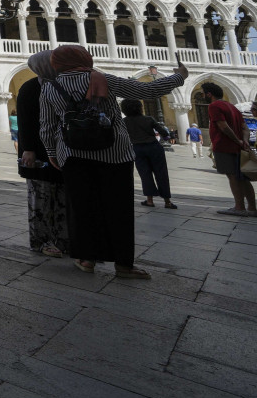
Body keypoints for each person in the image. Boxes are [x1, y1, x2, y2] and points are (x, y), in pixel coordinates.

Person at [40, 46, 186, 279]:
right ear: (83, 58)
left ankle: (87, 259)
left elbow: (47, 125)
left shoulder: (49, 87)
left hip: (73, 154)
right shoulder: (102, 78)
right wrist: (180, 76)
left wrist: (51, 152)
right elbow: (148, 91)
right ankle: (124, 265)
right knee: (119, 209)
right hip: (114, 153)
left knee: (82, 208)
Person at [16, 50, 68, 258]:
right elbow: (24, 122)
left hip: (62, 151)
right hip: (37, 152)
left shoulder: (62, 85)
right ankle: (42, 241)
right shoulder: (29, 88)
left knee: (62, 197)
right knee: (40, 198)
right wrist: (27, 149)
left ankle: (63, 239)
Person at [203, 82, 257, 217]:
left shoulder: (214, 105)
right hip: (240, 147)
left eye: (204, 93)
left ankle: (239, 207)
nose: (203, 95)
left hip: (224, 145)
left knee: (233, 177)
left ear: (209, 94)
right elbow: (245, 127)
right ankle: (252, 208)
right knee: (244, 177)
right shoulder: (232, 107)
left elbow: (222, 126)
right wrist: (244, 141)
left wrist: (236, 140)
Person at [120, 99, 177, 209]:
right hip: (153, 147)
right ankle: (167, 201)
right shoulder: (148, 119)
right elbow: (163, 132)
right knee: (161, 173)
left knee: (145, 174)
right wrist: (166, 137)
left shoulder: (124, 121)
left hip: (137, 148)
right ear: (139, 108)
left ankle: (149, 200)